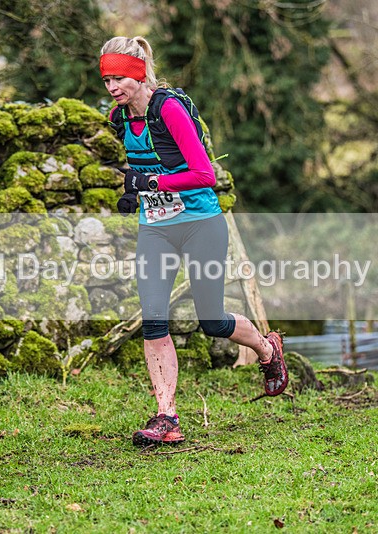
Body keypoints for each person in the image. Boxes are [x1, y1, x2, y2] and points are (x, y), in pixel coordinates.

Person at [100, 36, 288, 446]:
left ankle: (267, 349)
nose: (112, 87)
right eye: (107, 80)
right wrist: (136, 193)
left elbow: (203, 174)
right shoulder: (120, 118)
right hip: (156, 229)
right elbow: (147, 165)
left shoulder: (167, 107)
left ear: (137, 72)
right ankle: (166, 416)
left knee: (212, 321)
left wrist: (150, 181)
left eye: (119, 78)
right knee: (153, 319)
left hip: (201, 223)